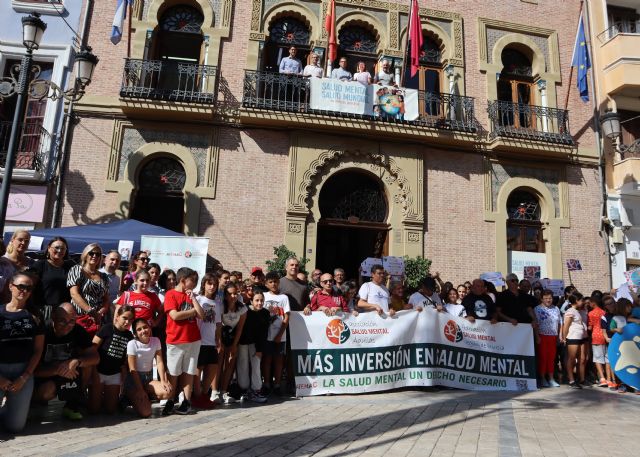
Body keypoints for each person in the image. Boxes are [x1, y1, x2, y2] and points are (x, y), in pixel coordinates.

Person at [33, 303, 99, 421]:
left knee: (87, 365)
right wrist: (58, 369)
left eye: (72, 321)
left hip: (70, 372)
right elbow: (33, 370)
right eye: (62, 321)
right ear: (53, 316)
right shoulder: (43, 332)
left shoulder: (78, 330)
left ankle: (74, 402)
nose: (67, 325)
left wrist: (77, 361)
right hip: (47, 374)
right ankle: (34, 402)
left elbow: (95, 357)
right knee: (46, 392)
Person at [0, 272, 44, 432]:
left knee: (16, 427)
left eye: (28, 288)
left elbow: (38, 350)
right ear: (11, 287)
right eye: (21, 286)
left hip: (23, 371)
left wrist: (24, 377)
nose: (24, 290)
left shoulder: (35, 316)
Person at [162, 267, 204, 415]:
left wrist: (193, 299)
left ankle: (186, 401)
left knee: (189, 371)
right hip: (176, 339)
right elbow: (174, 315)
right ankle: (170, 399)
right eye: (193, 280)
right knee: (173, 372)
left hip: (193, 340)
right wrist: (193, 311)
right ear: (182, 280)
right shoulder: (171, 294)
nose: (195, 284)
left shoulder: (192, 296)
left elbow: (202, 315)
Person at [88, 305, 135, 414]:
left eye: (131, 319)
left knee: (111, 410)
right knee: (94, 410)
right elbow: (93, 349)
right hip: (99, 371)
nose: (127, 322)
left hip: (114, 374)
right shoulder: (107, 328)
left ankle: (105, 396)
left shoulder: (129, 336)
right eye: (125, 318)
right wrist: (93, 371)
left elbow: (125, 359)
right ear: (117, 316)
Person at [125, 318, 172, 418]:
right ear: (135, 333)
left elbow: (159, 362)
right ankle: (129, 397)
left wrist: (163, 380)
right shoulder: (132, 344)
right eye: (139, 329)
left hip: (148, 379)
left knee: (167, 392)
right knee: (146, 413)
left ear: (149, 327)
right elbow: (132, 369)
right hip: (134, 380)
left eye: (145, 327)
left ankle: (145, 398)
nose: (143, 331)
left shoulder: (156, 340)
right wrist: (139, 389)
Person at [28, 237, 75, 323]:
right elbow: (30, 288)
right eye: (56, 247)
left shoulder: (71, 266)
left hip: (64, 311)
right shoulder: (40, 265)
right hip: (44, 310)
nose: (60, 250)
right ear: (49, 248)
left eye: (63, 248)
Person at [67, 244, 110, 336]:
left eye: (98, 254)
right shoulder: (77, 270)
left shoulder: (104, 276)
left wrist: (100, 313)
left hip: (97, 320)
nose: (94, 256)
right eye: (91, 253)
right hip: (79, 316)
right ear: (85, 255)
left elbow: (106, 299)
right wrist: (91, 311)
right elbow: (74, 294)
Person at [193, 273, 221, 408]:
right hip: (199, 341)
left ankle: (204, 394)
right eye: (209, 283)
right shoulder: (197, 299)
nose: (212, 287)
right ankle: (196, 397)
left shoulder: (218, 303)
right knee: (198, 369)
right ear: (204, 284)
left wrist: (218, 339)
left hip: (211, 342)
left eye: (215, 284)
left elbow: (218, 324)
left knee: (212, 368)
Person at [238, 290, 270, 403]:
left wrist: (260, 349)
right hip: (243, 342)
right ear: (251, 301)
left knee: (256, 366)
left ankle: (256, 390)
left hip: (256, 344)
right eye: (257, 300)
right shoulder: (246, 311)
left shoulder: (265, 313)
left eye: (262, 300)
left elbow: (264, 333)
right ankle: (244, 390)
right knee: (243, 365)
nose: (259, 303)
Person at [262, 271, 290, 395]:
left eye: (276, 281)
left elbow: (286, 317)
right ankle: (267, 384)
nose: (274, 284)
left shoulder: (284, 298)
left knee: (279, 361)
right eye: (271, 282)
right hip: (266, 335)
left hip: (280, 335)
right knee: (267, 360)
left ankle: (277, 385)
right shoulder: (264, 296)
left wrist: (280, 334)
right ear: (266, 284)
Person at [219, 283, 247, 404]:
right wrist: (220, 342)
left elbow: (240, 328)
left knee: (230, 363)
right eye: (230, 294)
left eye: (235, 293)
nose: (233, 296)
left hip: (233, 337)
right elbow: (218, 325)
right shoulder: (220, 306)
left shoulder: (242, 308)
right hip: (220, 336)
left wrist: (234, 345)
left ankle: (224, 391)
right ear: (225, 295)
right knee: (219, 364)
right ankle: (214, 390)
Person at [534, 290, 562, 387]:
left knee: (551, 358)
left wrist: (559, 336)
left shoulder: (556, 309)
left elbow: (559, 323)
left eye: (550, 298)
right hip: (542, 336)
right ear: (541, 299)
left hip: (553, 336)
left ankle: (551, 378)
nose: (548, 300)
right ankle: (542, 378)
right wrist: (537, 336)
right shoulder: (537, 309)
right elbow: (536, 324)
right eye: (546, 298)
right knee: (543, 358)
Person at [563, 292, 588, 389]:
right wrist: (564, 338)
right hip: (573, 337)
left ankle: (581, 379)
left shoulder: (578, 311)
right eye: (581, 300)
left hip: (581, 337)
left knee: (582, 358)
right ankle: (571, 380)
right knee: (572, 358)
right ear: (576, 301)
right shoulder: (570, 311)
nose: (583, 302)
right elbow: (566, 326)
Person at [588, 294, 610, 388]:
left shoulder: (591, 313)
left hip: (596, 337)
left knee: (597, 359)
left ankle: (602, 378)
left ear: (593, 303)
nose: (588, 304)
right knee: (606, 358)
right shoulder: (604, 312)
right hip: (606, 336)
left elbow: (590, 327)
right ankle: (609, 378)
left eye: (590, 303)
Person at [99, 250, 121, 318]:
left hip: (111, 313)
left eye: (117, 260)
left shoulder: (117, 278)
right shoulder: (97, 275)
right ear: (105, 260)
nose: (115, 262)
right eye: (112, 259)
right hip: (98, 311)